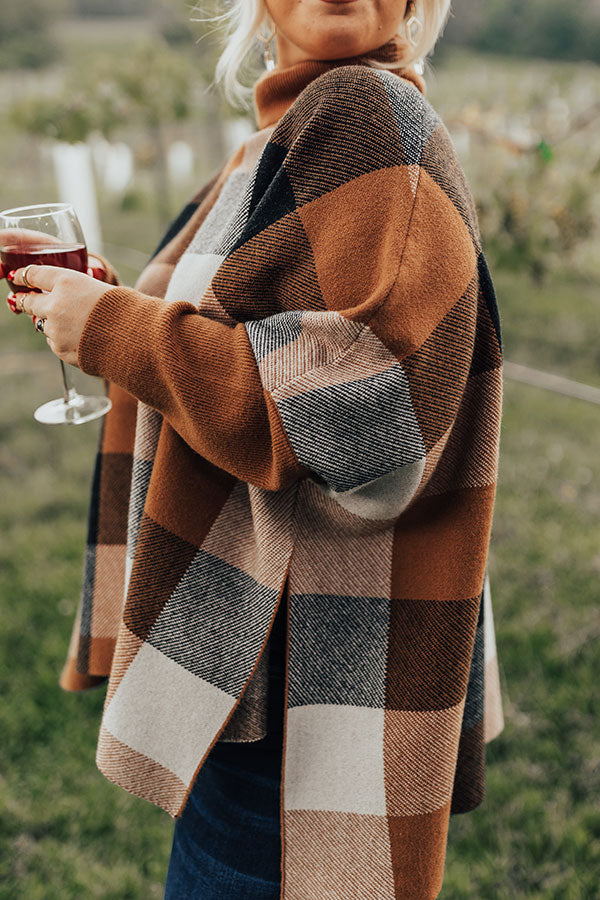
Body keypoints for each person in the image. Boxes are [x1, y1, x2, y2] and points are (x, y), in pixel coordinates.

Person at [8, 0, 505, 896]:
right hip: (272, 653)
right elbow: (249, 334)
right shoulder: (277, 137)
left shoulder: (363, 109)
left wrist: (117, 330)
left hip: (297, 663)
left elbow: (375, 401)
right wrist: (102, 304)